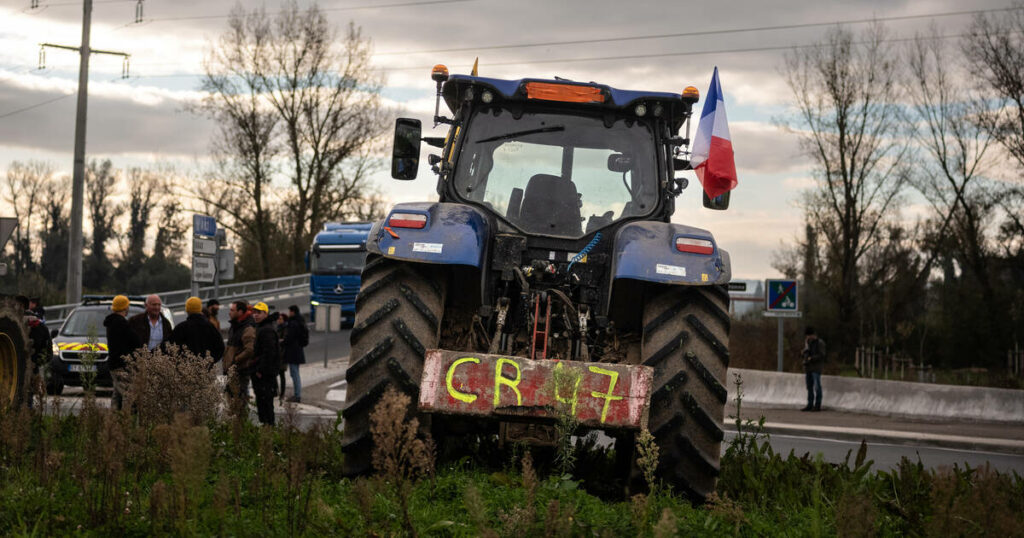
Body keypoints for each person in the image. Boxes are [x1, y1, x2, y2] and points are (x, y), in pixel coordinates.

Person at [104, 295, 143, 411]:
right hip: (121, 364)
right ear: (125, 308)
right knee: (129, 394)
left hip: (113, 363)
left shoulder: (110, 323)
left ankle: (113, 418)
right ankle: (126, 418)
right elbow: (135, 341)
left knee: (117, 394)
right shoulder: (122, 323)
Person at [248, 302, 280, 425]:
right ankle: (266, 430)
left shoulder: (266, 330)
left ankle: (268, 431)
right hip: (262, 373)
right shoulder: (262, 327)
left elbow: (269, 353)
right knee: (263, 403)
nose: (255, 315)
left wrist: (260, 370)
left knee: (265, 403)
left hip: (264, 375)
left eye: (259, 313)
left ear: (265, 314)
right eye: (254, 312)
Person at [17, 295, 51, 408]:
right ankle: (28, 419)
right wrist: (37, 362)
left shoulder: (13, 324)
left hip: (15, 367)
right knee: (29, 396)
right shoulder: (40, 325)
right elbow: (48, 351)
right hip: (33, 367)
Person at [169, 297, 225, 366]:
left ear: (187, 310)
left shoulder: (181, 328)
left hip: (187, 369)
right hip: (205, 368)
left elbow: (170, 346)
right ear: (200, 309)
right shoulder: (210, 327)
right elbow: (220, 347)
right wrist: (210, 362)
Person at [223, 300, 256, 403]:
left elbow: (249, 350)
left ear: (240, 312)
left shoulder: (247, 328)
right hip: (232, 370)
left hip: (240, 371)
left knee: (239, 403)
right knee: (231, 402)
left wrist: (235, 360)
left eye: (232, 310)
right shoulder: (235, 326)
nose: (229, 312)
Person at [281, 305, 308, 403]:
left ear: (292, 312)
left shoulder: (293, 323)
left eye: (289, 311)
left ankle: (297, 395)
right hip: (298, 350)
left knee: (294, 373)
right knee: (295, 373)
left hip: (293, 351)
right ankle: (297, 394)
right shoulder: (300, 321)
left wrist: (282, 341)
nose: (289, 313)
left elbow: (290, 337)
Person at [801, 327, 826, 412]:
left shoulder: (820, 343)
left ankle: (817, 405)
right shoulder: (808, 343)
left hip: (816, 368)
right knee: (809, 387)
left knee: (817, 387)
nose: (807, 337)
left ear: (812, 335)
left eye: (808, 336)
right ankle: (810, 404)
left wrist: (812, 358)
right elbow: (807, 352)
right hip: (808, 368)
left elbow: (822, 355)